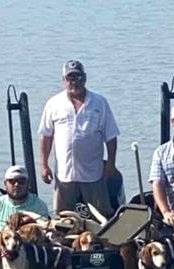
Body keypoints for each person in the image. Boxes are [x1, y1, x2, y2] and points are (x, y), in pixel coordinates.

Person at [38, 60, 119, 217]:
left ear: (85, 78)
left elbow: (111, 136)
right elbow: (46, 136)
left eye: (78, 77)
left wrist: (111, 164)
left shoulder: (99, 102)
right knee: (63, 220)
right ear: (64, 80)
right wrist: (44, 165)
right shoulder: (53, 103)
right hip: (64, 175)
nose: (74, 81)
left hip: (93, 174)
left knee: (101, 218)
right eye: (70, 78)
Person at [0, 165, 49, 233]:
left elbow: (44, 231)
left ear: (28, 183)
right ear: (5, 184)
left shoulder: (39, 205)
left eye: (21, 181)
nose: (16, 184)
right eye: (12, 181)